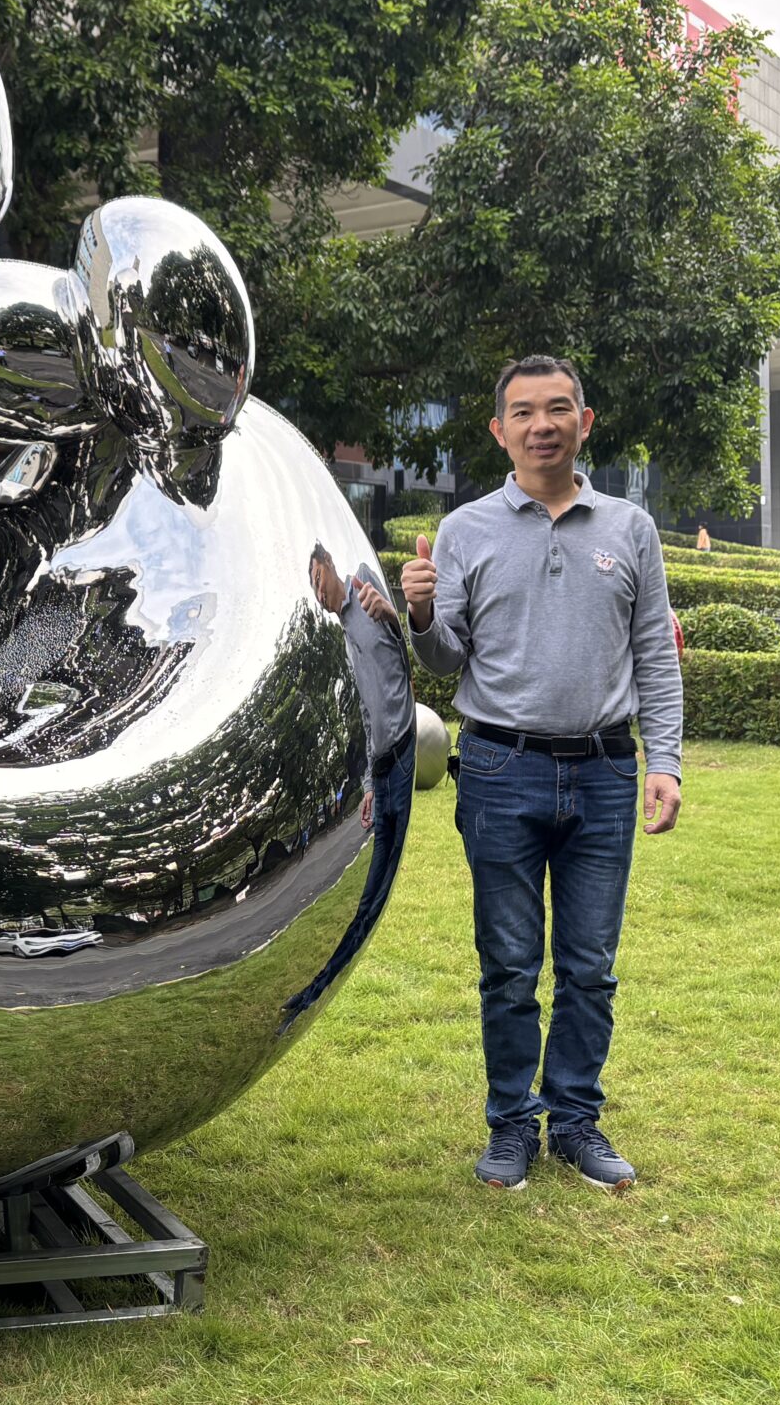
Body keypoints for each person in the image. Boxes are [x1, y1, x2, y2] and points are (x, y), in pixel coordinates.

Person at [400, 355, 682, 1193]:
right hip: (497, 767)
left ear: (585, 422)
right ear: (499, 430)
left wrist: (664, 760)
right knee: (511, 963)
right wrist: (419, 612)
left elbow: (655, 661)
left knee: (590, 964)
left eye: (558, 409)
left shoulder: (630, 529)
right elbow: (447, 659)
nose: (541, 425)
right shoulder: (466, 531)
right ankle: (512, 1125)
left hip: (603, 773)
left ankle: (578, 1123)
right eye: (523, 413)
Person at [283, 545, 419, 1028]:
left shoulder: (363, 583)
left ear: (330, 568)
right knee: (369, 896)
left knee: (375, 897)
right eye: (313, 588)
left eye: (319, 579)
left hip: (403, 759)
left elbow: (408, 654)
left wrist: (396, 619)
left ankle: (315, 991)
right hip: (381, 770)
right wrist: (365, 782)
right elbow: (366, 711)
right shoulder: (345, 633)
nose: (318, 593)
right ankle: (314, 989)